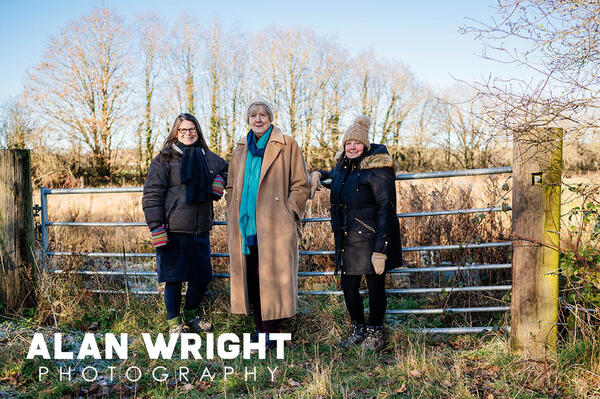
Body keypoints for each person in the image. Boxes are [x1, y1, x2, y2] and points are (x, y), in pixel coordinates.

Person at [309, 115, 402, 351]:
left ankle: (375, 332)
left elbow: (386, 208)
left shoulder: (378, 168)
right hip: (347, 239)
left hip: (371, 240)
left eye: (357, 143)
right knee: (348, 286)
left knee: (375, 286)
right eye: (348, 143)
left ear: (365, 145)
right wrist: (317, 174)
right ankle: (357, 328)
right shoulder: (343, 168)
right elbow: (331, 175)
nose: (352, 147)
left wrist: (381, 248)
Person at [225, 98, 310, 348]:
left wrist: (290, 212)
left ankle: (270, 331)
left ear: (270, 118)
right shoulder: (240, 148)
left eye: (263, 114)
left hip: (275, 224)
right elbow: (230, 185)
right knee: (252, 276)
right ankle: (260, 328)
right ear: (248, 120)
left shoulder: (287, 144)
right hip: (246, 225)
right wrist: (231, 206)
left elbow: (300, 183)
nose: (258, 119)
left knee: (271, 276)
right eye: (253, 115)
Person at [142, 113, 228, 333]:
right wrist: (156, 226)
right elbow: (152, 194)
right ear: (175, 132)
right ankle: (174, 323)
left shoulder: (208, 157)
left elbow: (227, 168)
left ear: (197, 131)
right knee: (174, 278)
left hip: (200, 228)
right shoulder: (165, 158)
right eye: (183, 130)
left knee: (200, 277)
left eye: (192, 129)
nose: (188, 133)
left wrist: (219, 180)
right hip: (172, 228)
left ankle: (192, 316)